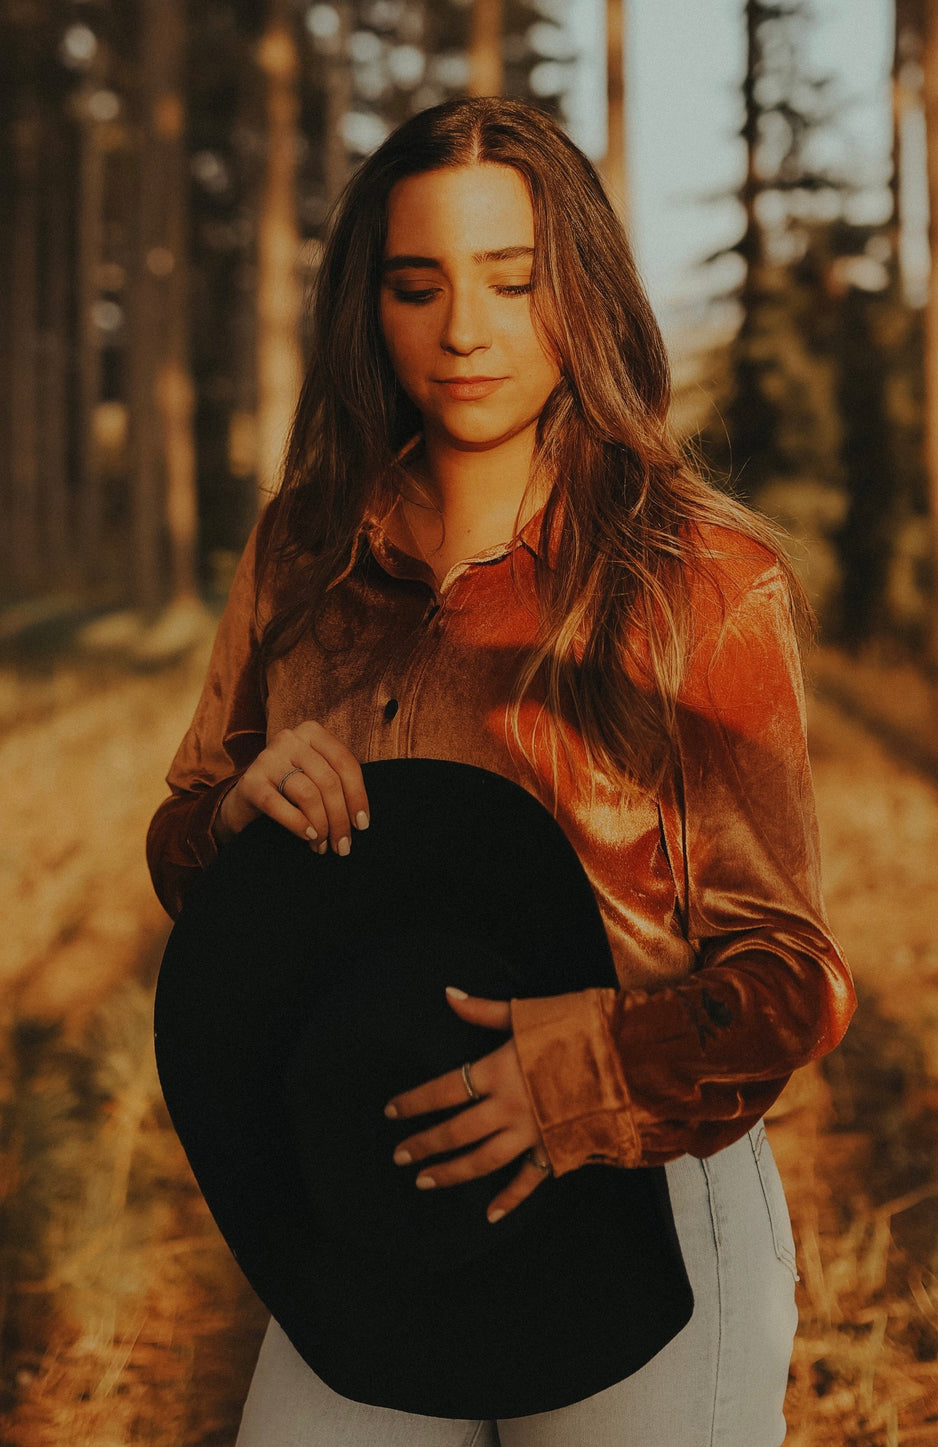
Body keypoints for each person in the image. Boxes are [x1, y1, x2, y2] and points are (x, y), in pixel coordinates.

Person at [147, 96, 855, 1447]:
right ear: (372, 307)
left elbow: (793, 979)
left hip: (641, 1196)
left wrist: (585, 1071)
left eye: (511, 280)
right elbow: (192, 845)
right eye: (418, 285)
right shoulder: (302, 553)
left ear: (578, 293)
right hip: (368, 1188)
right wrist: (230, 819)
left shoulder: (702, 580)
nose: (463, 329)